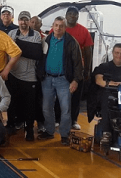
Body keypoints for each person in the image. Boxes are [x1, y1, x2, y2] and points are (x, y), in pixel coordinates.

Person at [37, 16, 83, 145]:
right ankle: (50, 131)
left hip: (64, 80)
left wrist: (75, 80)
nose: (58, 28)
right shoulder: (46, 40)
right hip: (47, 79)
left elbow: (78, 64)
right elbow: (41, 58)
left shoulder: (71, 42)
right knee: (46, 107)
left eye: (61, 26)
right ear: (52, 26)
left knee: (66, 109)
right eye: (56, 25)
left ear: (65, 27)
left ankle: (64, 134)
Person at [6, 11, 43, 141]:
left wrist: (18, 46)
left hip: (30, 76)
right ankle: (11, 125)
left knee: (30, 105)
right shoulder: (11, 34)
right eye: (21, 20)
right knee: (12, 103)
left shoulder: (36, 35)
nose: (23, 22)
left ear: (29, 21)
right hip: (13, 74)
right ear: (18, 21)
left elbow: (36, 53)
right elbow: (8, 53)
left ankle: (29, 129)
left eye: (26, 20)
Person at [64, 6, 94, 131]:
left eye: (75, 14)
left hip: (77, 69)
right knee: (60, 95)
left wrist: (87, 70)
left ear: (78, 16)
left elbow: (88, 52)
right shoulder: (59, 27)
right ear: (66, 15)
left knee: (75, 96)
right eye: (70, 14)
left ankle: (73, 120)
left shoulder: (83, 31)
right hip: (61, 68)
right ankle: (57, 119)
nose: (72, 16)